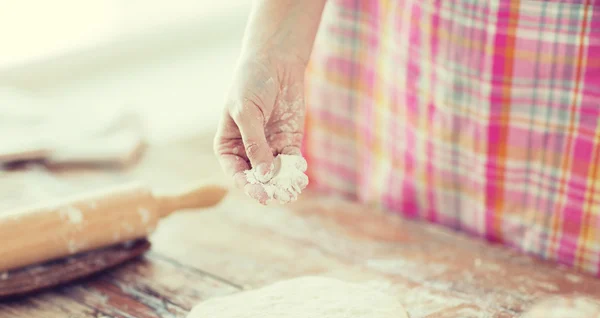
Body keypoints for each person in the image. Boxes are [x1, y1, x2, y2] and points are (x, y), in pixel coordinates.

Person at [213, 0, 600, 276]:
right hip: (396, 59)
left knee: (557, 310)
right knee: (383, 258)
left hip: (568, 76)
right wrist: (273, 50)